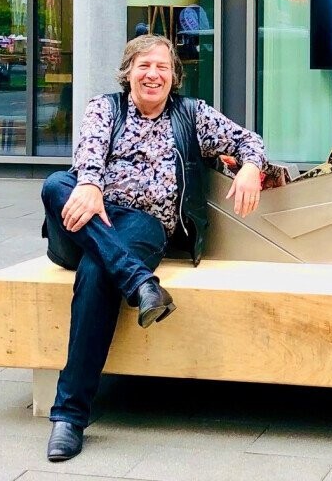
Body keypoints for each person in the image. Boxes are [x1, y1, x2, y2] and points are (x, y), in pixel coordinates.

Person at [39, 34, 267, 462]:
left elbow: (248, 140)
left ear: (174, 76)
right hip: (86, 219)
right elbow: (87, 155)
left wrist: (251, 167)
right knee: (56, 184)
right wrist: (88, 183)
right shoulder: (104, 108)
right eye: (144, 66)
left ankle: (68, 417)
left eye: (162, 67)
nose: (153, 74)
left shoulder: (191, 115)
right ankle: (140, 281)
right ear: (128, 73)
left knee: (95, 273)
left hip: (144, 228)